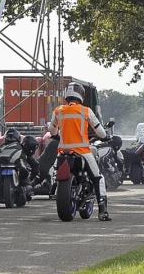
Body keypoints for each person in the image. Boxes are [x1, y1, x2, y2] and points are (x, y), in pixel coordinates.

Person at [48, 83, 111, 221]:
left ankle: (53, 188)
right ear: (81, 95)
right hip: (82, 152)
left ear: (67, 95)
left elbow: (52, 131)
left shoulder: (58, 111)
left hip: (63, 152)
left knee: (52, 172)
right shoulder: (86, 111)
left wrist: (58, 133)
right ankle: (103, 210)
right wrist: (106, 136)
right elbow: (100, 132)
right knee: (98, 178)